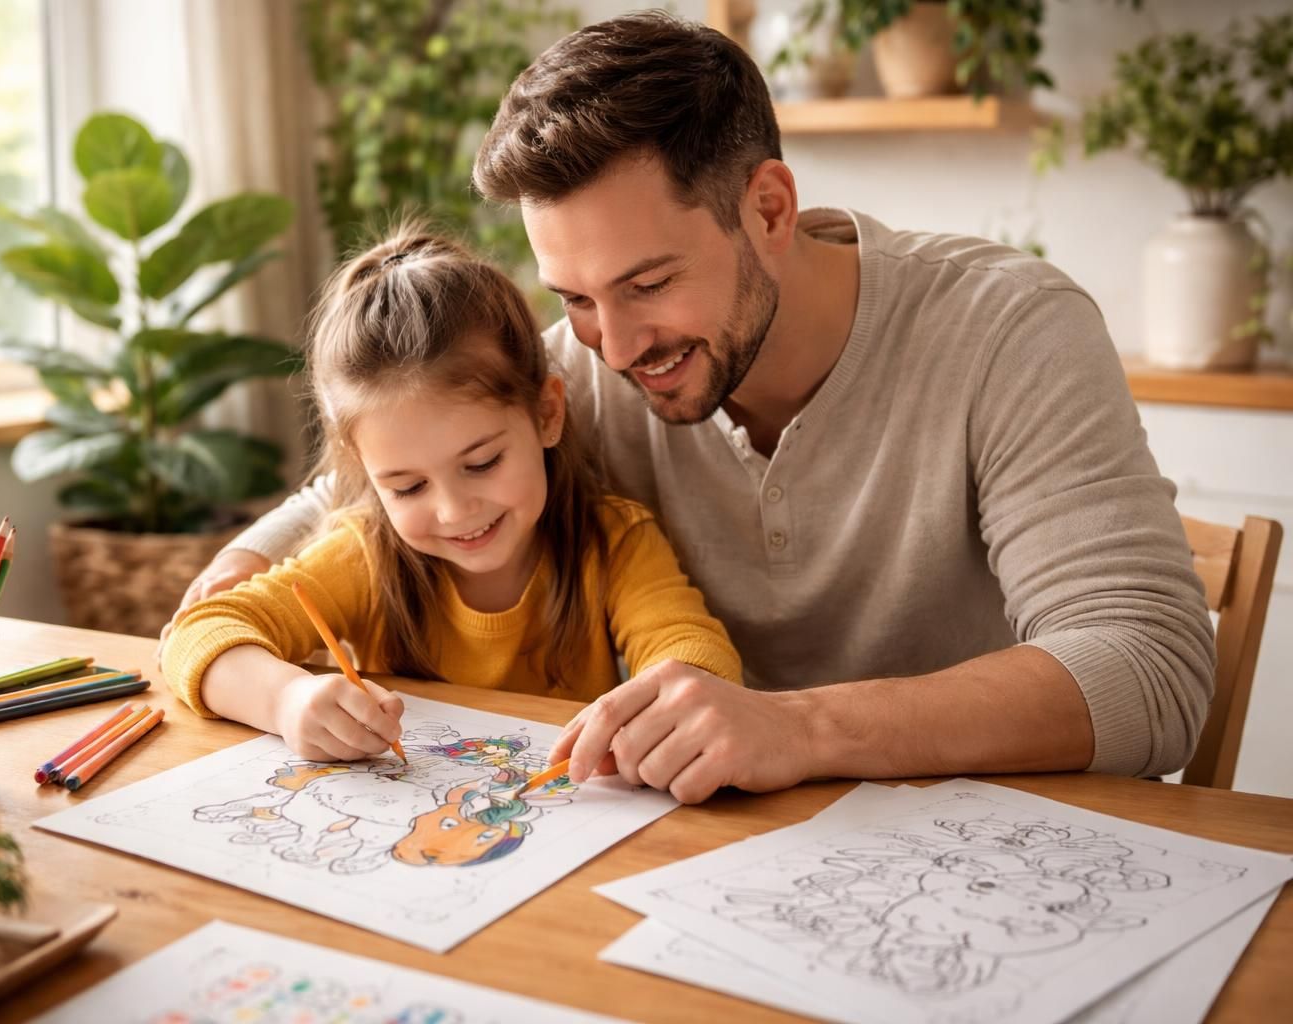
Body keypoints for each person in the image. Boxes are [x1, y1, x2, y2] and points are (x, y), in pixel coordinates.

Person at [165, 13, 1214, 801]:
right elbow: (357, 477)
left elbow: (1150, 672)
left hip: (1000, 858)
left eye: (647, 284)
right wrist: (242, 575)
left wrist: (797, 729)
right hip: (722, 856)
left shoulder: (1007, 330)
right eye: (573, 298)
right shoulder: (579, 370)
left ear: (768, 209)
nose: (611, 348)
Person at [159, 225, 742, 761]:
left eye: (482, 463)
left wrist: (669, 711)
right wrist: (285, 701)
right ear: (366, 472)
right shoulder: (363, 554)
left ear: (546, 414)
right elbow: (197, 634)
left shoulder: (614, 541)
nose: (453, 509)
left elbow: (692, 653)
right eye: (407, 486)